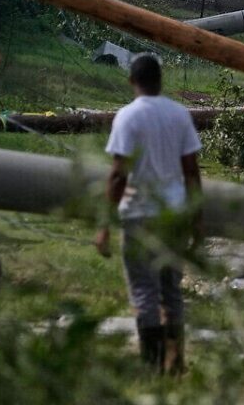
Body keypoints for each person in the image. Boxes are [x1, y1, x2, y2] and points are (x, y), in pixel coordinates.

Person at [95, 53, 204, 374]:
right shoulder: (179, 114)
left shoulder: (128, 117)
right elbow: (192, 172)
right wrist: (197, 219)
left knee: (144, 291)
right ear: (160, 81)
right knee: (171, 290)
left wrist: (103, 224)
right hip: (173, 214)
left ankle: (153, 366)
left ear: (132, 81)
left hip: (140, 215)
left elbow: (118, 175)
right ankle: (176, 360)